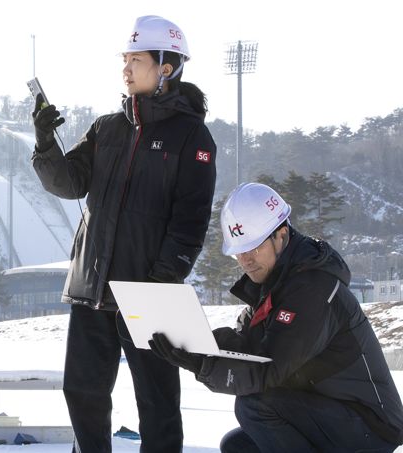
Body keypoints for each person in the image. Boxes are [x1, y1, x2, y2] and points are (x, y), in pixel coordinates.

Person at [31, 15, 217, 453]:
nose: (126, 68)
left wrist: (163, 277)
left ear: (166, 66)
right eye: (125, 59)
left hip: (151, 291)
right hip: (91, 288)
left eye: (136, 59)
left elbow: (191, 219)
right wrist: (44, 142)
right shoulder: (106, 128)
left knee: (158, 406)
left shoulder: (192, 136)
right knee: (83, 396)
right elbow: (69, 185)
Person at [150, 182, 403, 452]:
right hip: (327, 410)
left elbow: (270, 365)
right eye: (238, 252)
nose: (245, 260)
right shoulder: (272, 286)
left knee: (255, 406)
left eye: (253, 248)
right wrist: (198, 347)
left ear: (281, 235)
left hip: (370, 425)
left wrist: (204, 364)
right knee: (238, 446)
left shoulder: (313, 287)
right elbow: (248, 348)